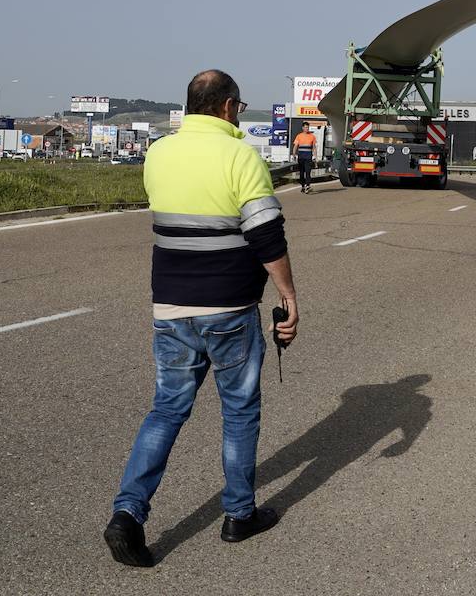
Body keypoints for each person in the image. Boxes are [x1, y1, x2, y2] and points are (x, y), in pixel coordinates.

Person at [104, 69, 299, 567]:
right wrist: (288, 295)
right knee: (238, 412)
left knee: (166, 410)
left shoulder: (158, 153)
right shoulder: (241, 156)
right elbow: (266, 237)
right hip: (229, 308)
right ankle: (238, 515)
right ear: (230, 107)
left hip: (170, 307)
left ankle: (127, 513)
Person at [291, 121, 318, 193]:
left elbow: (314, 147)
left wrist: (315, 156)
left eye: (307, 127)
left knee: (308, 172)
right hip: (301, 157)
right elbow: (295, 146)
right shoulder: (299, 136)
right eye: (305, 127)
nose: (306, 128)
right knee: (302, 172)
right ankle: (303, 186)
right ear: (302, 128)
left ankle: (308, 185)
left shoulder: (312, 136)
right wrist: (294, 154)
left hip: (308, 157)